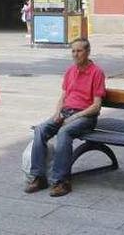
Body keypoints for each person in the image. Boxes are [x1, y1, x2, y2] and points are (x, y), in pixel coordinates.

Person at [25, 38, 106, 197]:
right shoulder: (70, 71)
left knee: (64, 133)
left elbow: (96, 106)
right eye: (73, 51)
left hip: (85, 116)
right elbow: (63, 96)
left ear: (87, 52)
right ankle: (39, 177)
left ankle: (62, 181)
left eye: (79, 51)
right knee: (40, 129)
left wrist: (75, 117)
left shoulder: (97, 72)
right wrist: (57, 113)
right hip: (66, 113)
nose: (75, 54)